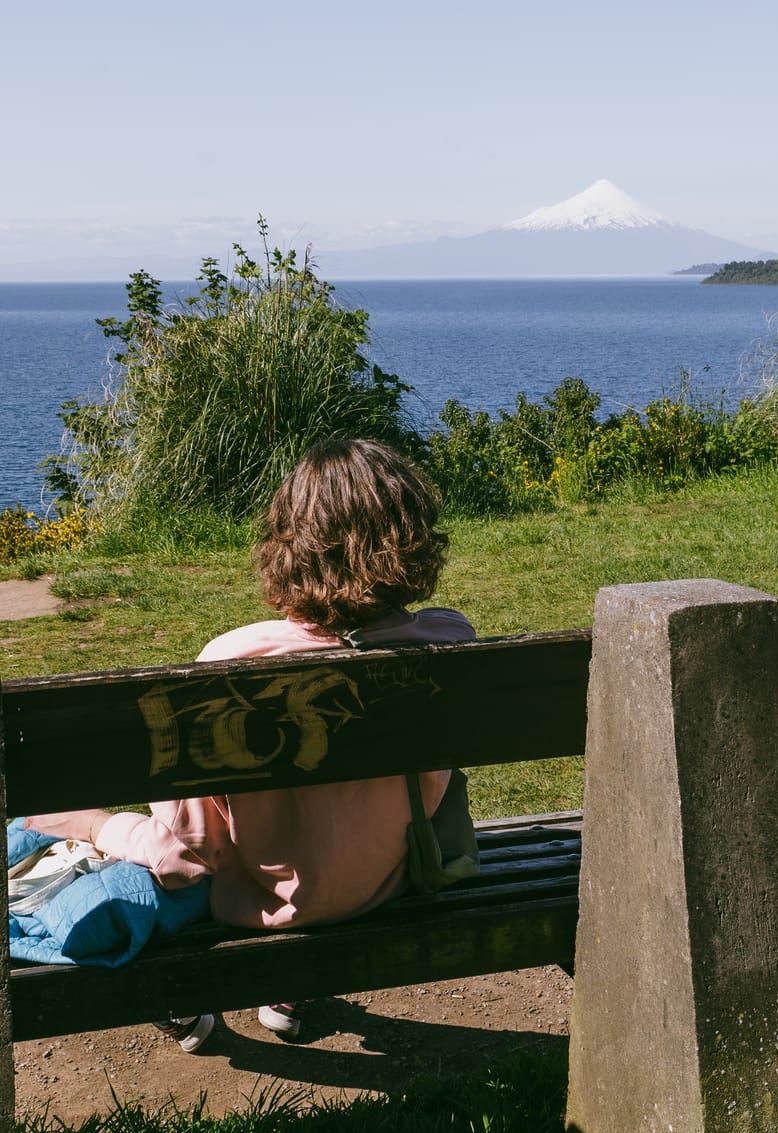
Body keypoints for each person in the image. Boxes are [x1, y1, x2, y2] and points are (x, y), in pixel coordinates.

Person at [23, 437, 475, 1050]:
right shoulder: (451, 643)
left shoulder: (231, 662)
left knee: (95, 861)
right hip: (391, 881)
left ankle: (186, 1005)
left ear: (289, 544)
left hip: (264, 903)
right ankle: (287, 988)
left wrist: (97, 825)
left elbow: (189, 857)